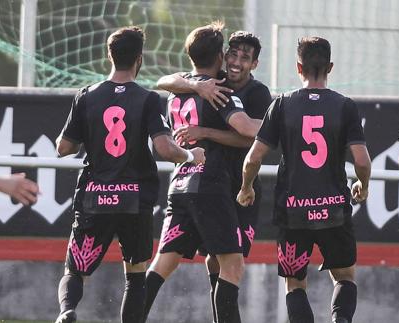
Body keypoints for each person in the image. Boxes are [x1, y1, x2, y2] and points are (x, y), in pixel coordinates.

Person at [54, 26, 205, 323]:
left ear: (109, 56)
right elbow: (164, 147)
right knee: (135, 276)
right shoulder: (147, 99)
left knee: (75, 269)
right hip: (134, 199)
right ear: (140, 58)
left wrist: (90, 133)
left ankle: (67, 311)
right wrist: (191, 155)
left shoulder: (86, 96)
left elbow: (64, 148)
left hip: (95, 196)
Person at [237, 37, 371, 323]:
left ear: (299, 67)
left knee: (295, 283)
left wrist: (246, 187)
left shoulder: (283, 104)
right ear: (330, 67)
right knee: (345, 277)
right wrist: (363, 184)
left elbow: (253, 158)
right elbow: (362, 160)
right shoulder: (345, 106)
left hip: (293, 212)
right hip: (334, 210)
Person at [143, 22, 262, 323]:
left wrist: (197, 98)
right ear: (221, 56)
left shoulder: (178, 92)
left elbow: (164, 82)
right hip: (212, 185)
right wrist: (287, 119)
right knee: (232, 266)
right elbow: (249, 130)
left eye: (243, 58)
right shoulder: (217, 90)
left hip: (181, 183)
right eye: (230, 54)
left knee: (163, 264)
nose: (234, 62)